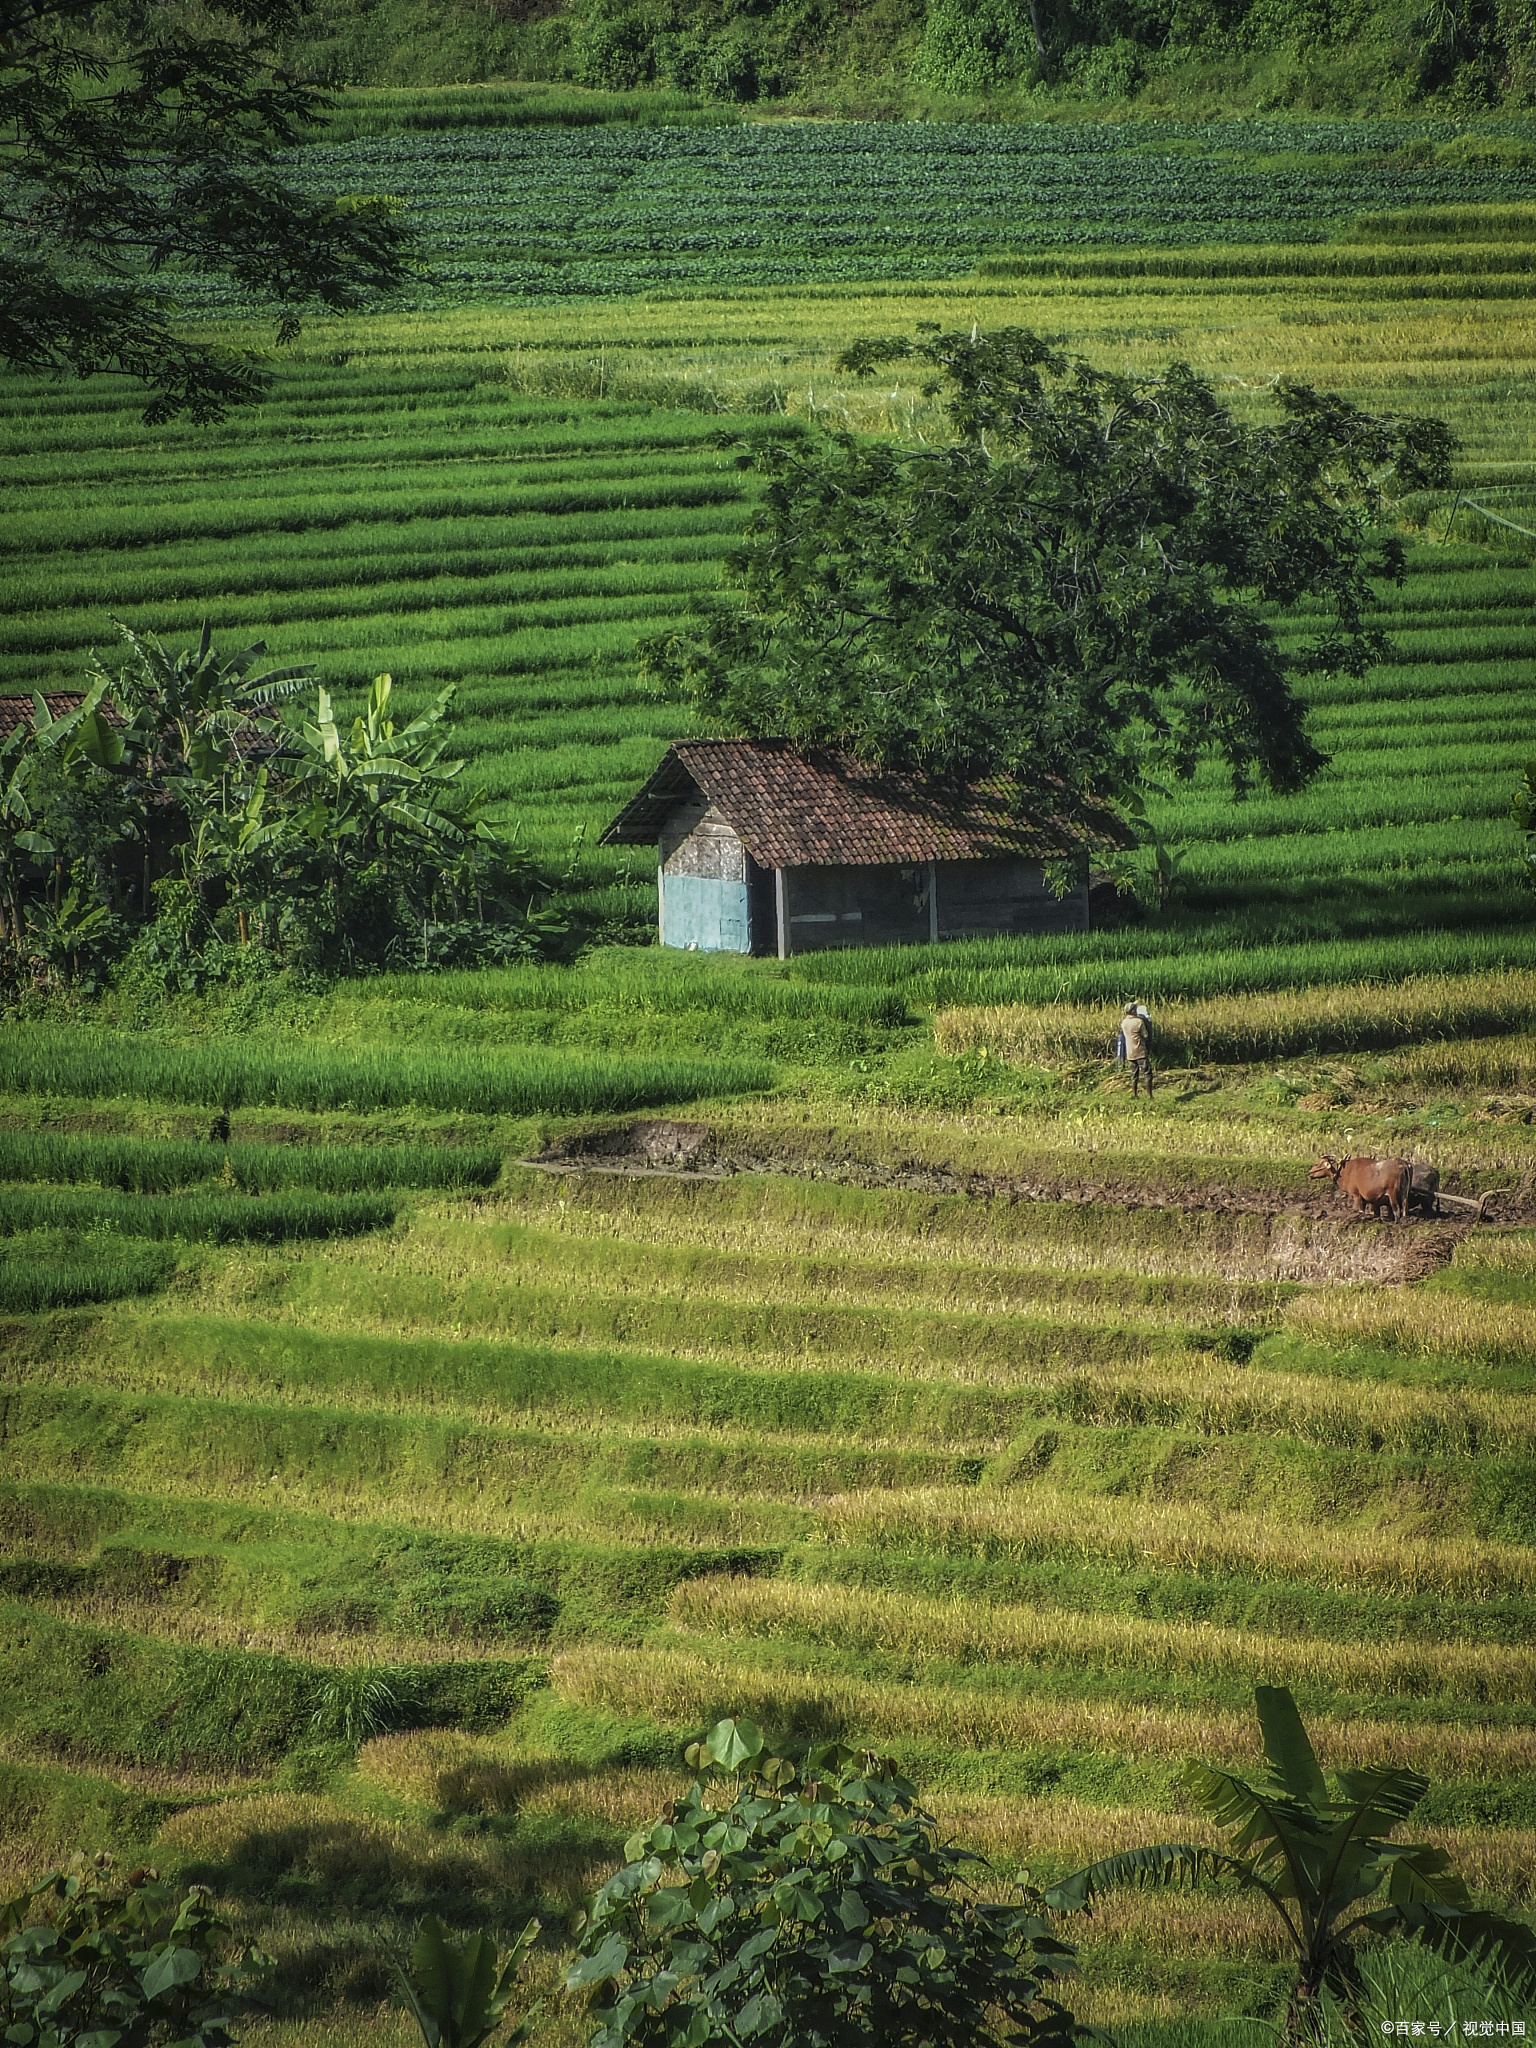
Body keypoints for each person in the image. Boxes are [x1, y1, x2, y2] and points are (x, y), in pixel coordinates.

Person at [1116, 1002, 1154, 1099]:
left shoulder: (1123, 1023)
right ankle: (1149, 1095)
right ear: (1133, 1011)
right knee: (1147, 1073)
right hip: (1140, 1051)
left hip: (1130, 1052)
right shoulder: (1138, 1022)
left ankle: (1134, 1094)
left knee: (1134, 1074)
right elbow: (1145, 1036)